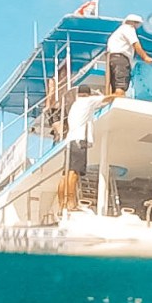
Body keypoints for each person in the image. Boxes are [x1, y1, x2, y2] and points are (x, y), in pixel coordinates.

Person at [58, 84, 115, 212]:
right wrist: (119, 95)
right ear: (88, 94)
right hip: (79, 142)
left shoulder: (76, 104)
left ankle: (62, 203)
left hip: (70, 141)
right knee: (74, 173)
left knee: (65, 174)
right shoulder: (88, 101)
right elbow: (109, 98)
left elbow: (98, 105)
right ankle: (71, 204)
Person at [106, 14, 152, 96]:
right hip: (121, 59)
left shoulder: (116, 33)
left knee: (114, 84)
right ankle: (119, 99)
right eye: (137, 24)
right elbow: (135, 43)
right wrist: (145, 57)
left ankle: (112, 100)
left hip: (112, 59)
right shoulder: (129, 28)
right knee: (121, 85)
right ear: (134, 23)